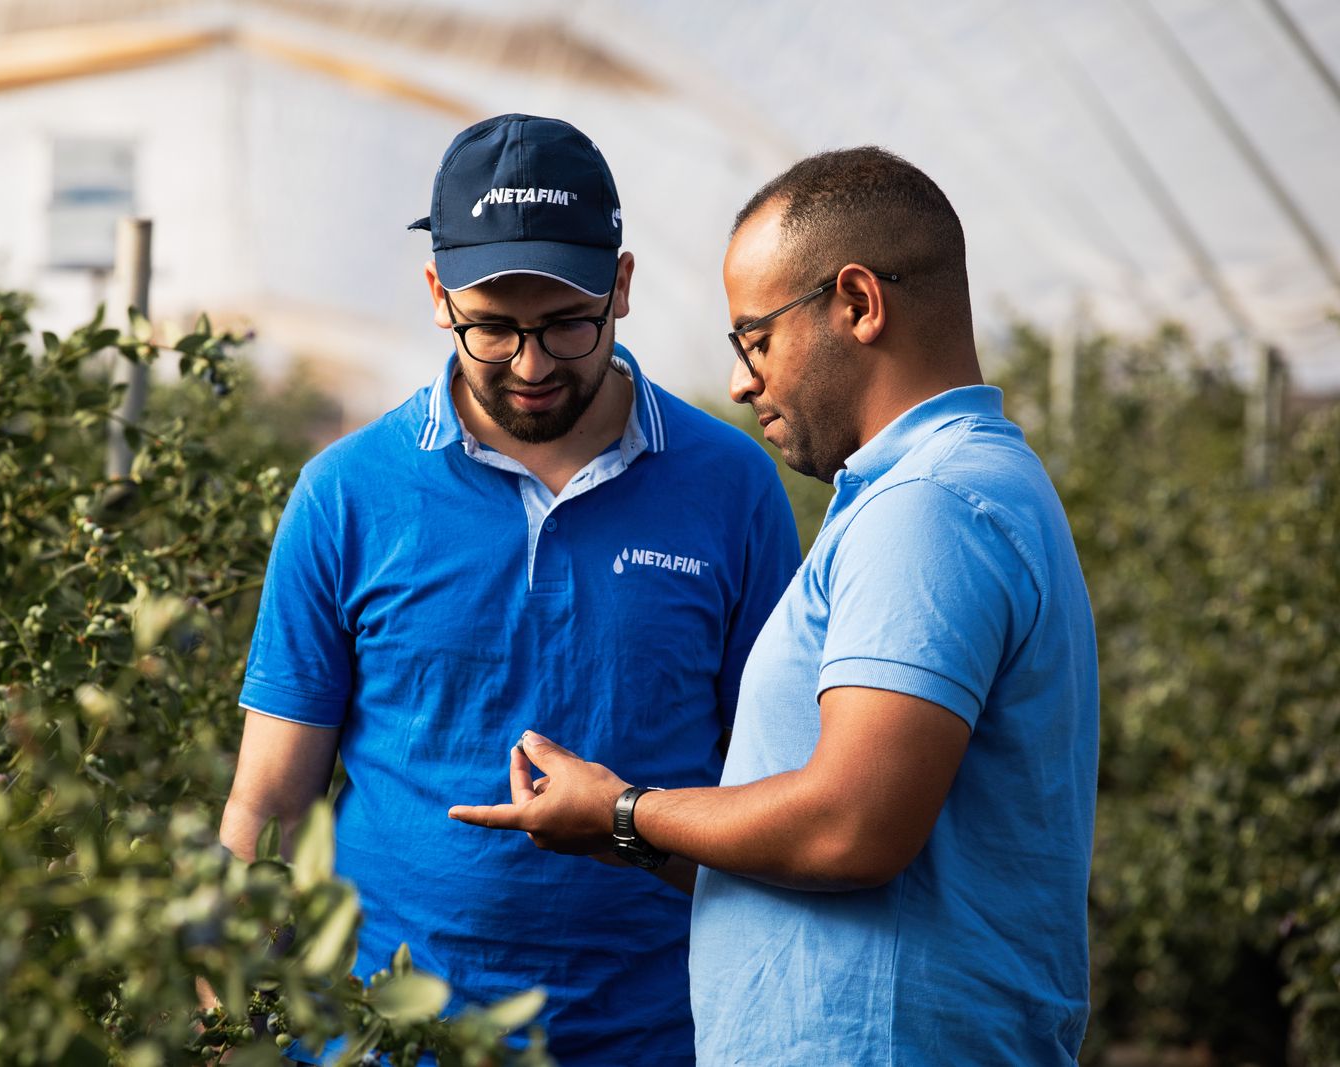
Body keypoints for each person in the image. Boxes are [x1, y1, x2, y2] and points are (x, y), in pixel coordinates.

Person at [450, 146, 1100, 1065]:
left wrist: (627, 809)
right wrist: (622, 832)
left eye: (755, 339)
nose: (743, 383)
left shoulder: (929, 509)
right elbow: (810, 837)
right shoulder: (941, 489)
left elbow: (851, 826)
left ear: (859, 304)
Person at [219, 113, 801, 1064]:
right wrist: (227, 1019)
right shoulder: (348, 494)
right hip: (380, 1039)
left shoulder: (730, 488)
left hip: (654, 1036)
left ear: (621, 287)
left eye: (568, 324)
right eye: (492, 327)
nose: (530, 366)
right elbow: (271, 804)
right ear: (437, 294)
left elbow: (771, 786)